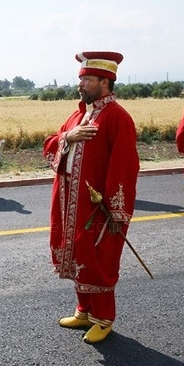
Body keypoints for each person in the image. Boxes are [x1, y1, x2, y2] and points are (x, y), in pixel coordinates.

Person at [43, 51, 139, 344]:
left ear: (105, 82)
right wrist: (67, 138)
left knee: (99, 259)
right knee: (76, 255)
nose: (80, 85)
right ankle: (84, 310)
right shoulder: (76, 115)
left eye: (86, 80)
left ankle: (104, 318)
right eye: (81, 79)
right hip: (67, 202)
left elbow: (124, 166)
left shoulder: (117, 117)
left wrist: (115, 210)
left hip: (97, 207)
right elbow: (50, 146)